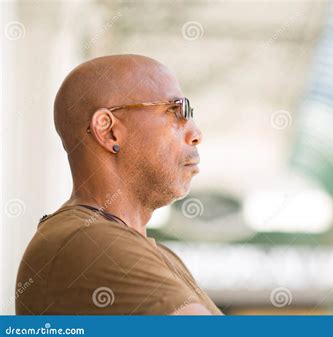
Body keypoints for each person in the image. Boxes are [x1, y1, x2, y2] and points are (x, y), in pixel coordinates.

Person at [15, 54, 222, 315]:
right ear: (108, 131)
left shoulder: (152, 252)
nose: (196, 134)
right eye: (176, 110)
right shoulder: (86, 240)